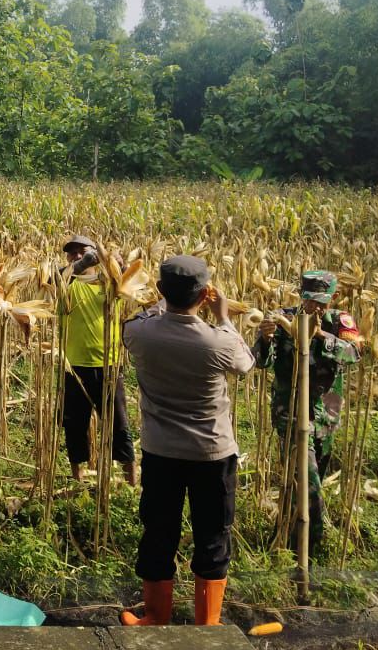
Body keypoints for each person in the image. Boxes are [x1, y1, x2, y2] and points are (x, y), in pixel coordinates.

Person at [120, 255, 255, 627]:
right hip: (212, 454)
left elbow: (135, 320)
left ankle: (156, 618)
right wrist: (224, 316)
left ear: (161, 291)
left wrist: (160, 302)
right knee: (212, 535)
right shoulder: (218, 342)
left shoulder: (140, 333)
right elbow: (246, 363)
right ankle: (207, 625)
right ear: (205, 294)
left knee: (159, 531)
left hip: (161, 452)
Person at [254, 271, 362, 555]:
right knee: (308, 481)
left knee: (310, 479)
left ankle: (286, 530)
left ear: (334, 298)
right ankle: (310, 548)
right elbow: (261, 362)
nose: (317, 307)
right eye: (311, 300)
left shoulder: (340, 321)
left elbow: (354, 354)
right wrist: (265, 339)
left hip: (327, 410)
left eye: (322, 302)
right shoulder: (281, 318)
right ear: (301, 296)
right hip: (289, 410)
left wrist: (319, 336)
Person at [59, 235, 136, 487]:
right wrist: (80, 266)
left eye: (82, 252)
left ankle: (131, 482)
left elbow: (134, 282)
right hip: (74, 365)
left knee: (119, 425)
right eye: (72, 254)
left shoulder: (111, 283)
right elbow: (52, 279)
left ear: (97, 254)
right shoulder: (67, 284)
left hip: (109, 365)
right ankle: (77, 478)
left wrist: (120, 266)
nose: (76, 256)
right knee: (74, 424)